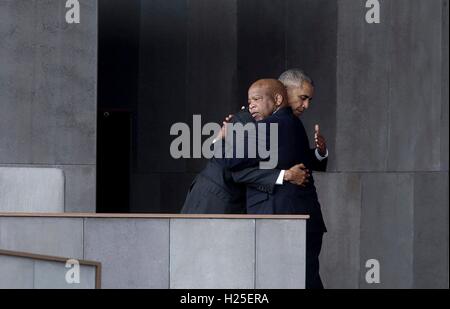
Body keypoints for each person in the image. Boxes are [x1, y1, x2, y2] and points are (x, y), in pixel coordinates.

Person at [221, 78, 327, 289]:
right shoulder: (290, 123)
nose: (305, 105)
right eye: (303, 98)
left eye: (257, 100)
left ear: (278, 97)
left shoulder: (275, 124)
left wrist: (226, 135)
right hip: (299, 217)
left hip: (284, 218)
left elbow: (231, 161)